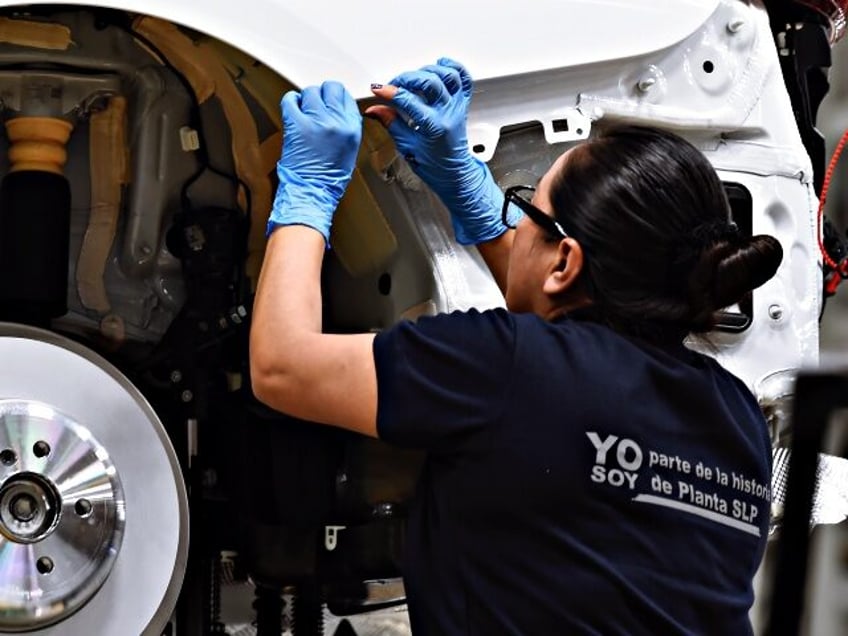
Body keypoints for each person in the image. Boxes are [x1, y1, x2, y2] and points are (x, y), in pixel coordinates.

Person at [250, 57, 782, 635]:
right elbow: (566, 325)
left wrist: (308, 192)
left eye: (527, 206)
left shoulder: (504, 365)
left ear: (566, 262)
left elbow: (282, 366)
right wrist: (462, 185)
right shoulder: (736, 415)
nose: (516, 222)